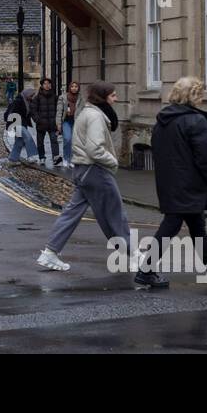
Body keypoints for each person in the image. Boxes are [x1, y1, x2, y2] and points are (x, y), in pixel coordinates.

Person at [35, 81, 165, 286]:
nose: (115, 99)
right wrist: (113, 161)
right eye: (113, 95)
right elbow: (94, 149)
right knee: (115, 214)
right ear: (103, 97)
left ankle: (50, 252)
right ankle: (134, 256)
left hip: (82, 171)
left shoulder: (87, 113)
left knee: (72, 213)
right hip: (95, 171)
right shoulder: (95, 116)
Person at [148, 77, 207, 284]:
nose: (203, 98)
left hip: (170, 181)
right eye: (200, 93)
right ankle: (145, 270)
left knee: (197, 225)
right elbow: (204, 158)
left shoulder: (163, 119)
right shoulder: (196, 121)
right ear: (194, 95)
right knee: (171, 226)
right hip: (189, 183)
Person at [29, 77, 62, 166]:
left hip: (52, 124)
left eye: (49, 83)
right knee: (40, 142)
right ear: (42, 85)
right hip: (41, 124)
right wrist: (38, 120)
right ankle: (42, 157)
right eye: (45, 84)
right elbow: (33, 110)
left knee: (54, 140)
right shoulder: (37, 97)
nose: (47, 85)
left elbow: (59, 109)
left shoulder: (55, 97)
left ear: (51, 85)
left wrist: (57, 121)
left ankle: (55, 157)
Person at [4, 87, 38, 163]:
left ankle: (13, 159)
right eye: (31, 95)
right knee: (28, 137)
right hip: (16, 123)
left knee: (19, 141)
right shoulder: (18, 101)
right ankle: (31, 156)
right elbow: (11, 113)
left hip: (23, 123)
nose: (32, 97)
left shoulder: (28, 101)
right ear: (27, 94)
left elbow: (29, 114)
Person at [57, 81, 81, 167]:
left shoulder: (81, 98)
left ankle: (72, 159)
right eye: (72, 86)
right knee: (67, 139)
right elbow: (59, 112)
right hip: (66, 121)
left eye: (76, 86)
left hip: (76, 122)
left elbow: (83, 111)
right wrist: (58, 124)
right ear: (69, 88)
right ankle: (66, 158)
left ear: (78, 88)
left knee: (74, 141)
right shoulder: (63, 97)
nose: (74, 88)